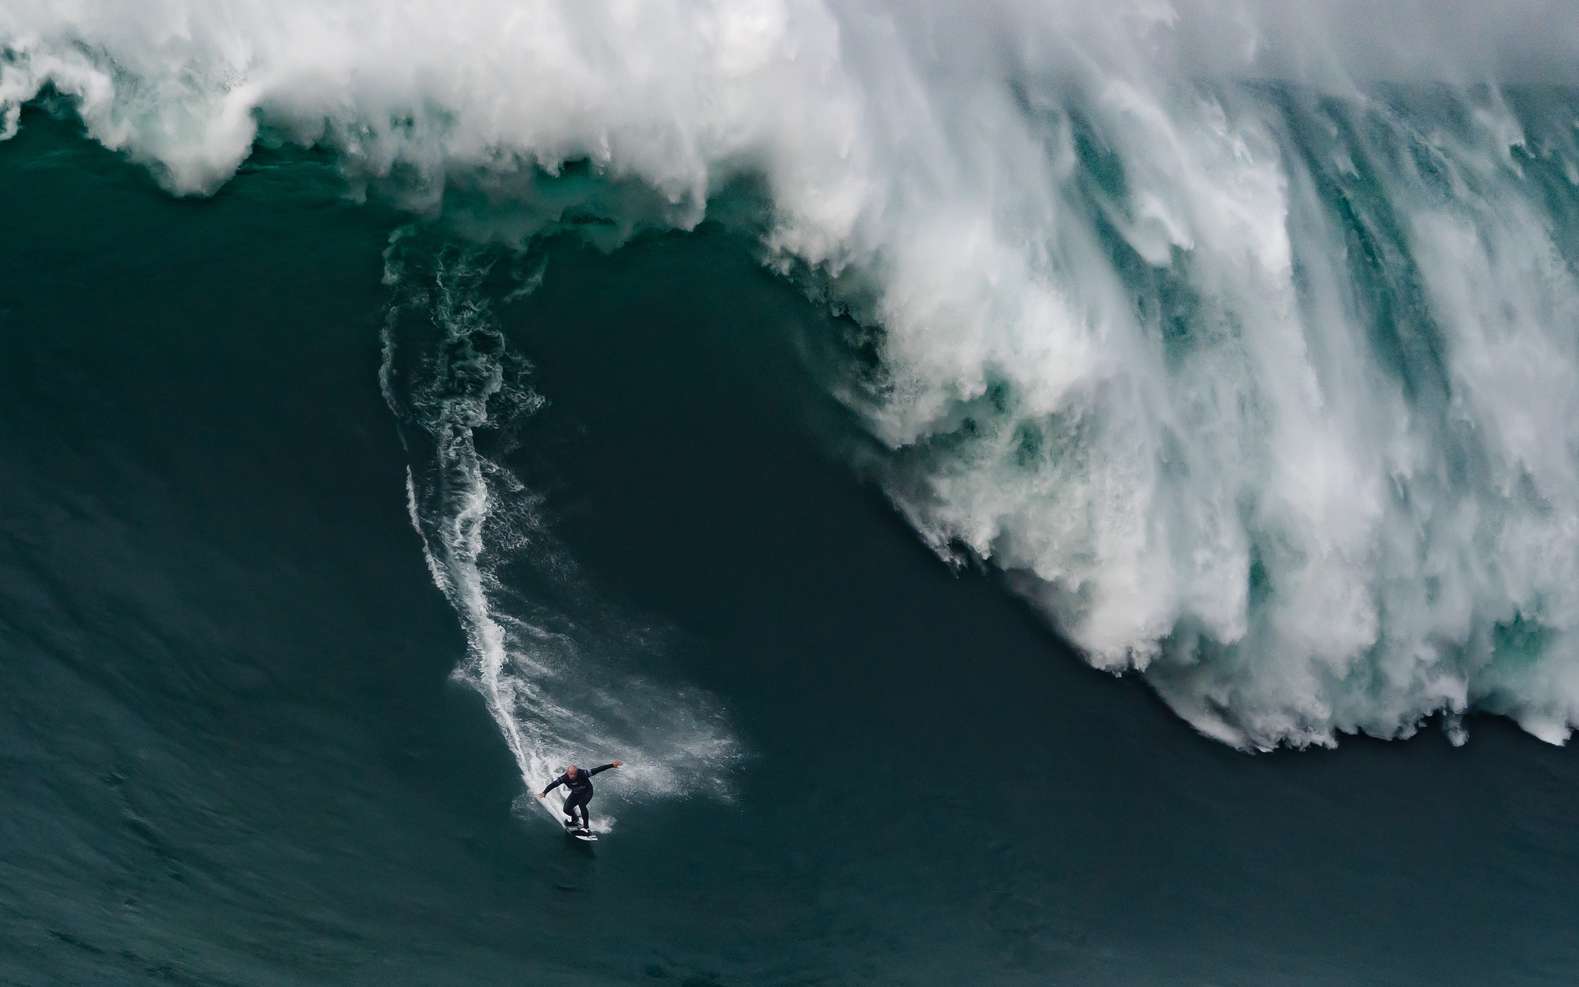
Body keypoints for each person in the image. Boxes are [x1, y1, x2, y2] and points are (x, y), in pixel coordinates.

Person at [538, 760, 623, 832]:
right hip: (576, 793)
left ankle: (586, 827)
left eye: (574, 774)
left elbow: (597, 769)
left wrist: (612, 765)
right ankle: (575, 819)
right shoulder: (564, 778)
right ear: (567, 773)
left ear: (577, 772)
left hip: (587, 792)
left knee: (581, 804)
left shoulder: (583, 773)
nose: (573, 776)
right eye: (571, 774)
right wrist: (544, 792)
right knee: (566, 809)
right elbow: (553, 784)